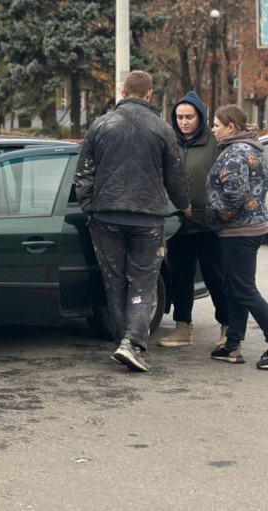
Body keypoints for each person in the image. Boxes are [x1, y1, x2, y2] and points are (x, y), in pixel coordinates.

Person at [75, 70, 191, 372]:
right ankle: (133, 344)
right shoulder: (163, 129)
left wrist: (91, 207)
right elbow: (175, 177)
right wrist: (185, 206)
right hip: (147, 217)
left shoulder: (100, 125)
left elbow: (83, 173)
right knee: (142, 281)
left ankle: (123, 342)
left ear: (123, 93)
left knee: (114, 283)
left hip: (106, 216)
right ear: (150, 94)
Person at [159, 91, 229, 347]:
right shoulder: (169, 142)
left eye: (189, 117)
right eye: (179, 117)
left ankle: (227, 327)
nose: (183, 122)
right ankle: (182, 328)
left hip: (209, 224)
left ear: (201, 117)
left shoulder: (215, 143)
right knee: (179, 276)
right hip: (179, 222)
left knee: (216, 277)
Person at [205, 104, 268, 369]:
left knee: (243, 288)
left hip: (238, 230)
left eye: (217, 125)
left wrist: (212, 217)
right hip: (246, 227)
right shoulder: (250, 149)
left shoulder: (235, 153)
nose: (214, 130)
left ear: (231, 127)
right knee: (234, 287)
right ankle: (232, 344)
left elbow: (233, 196)